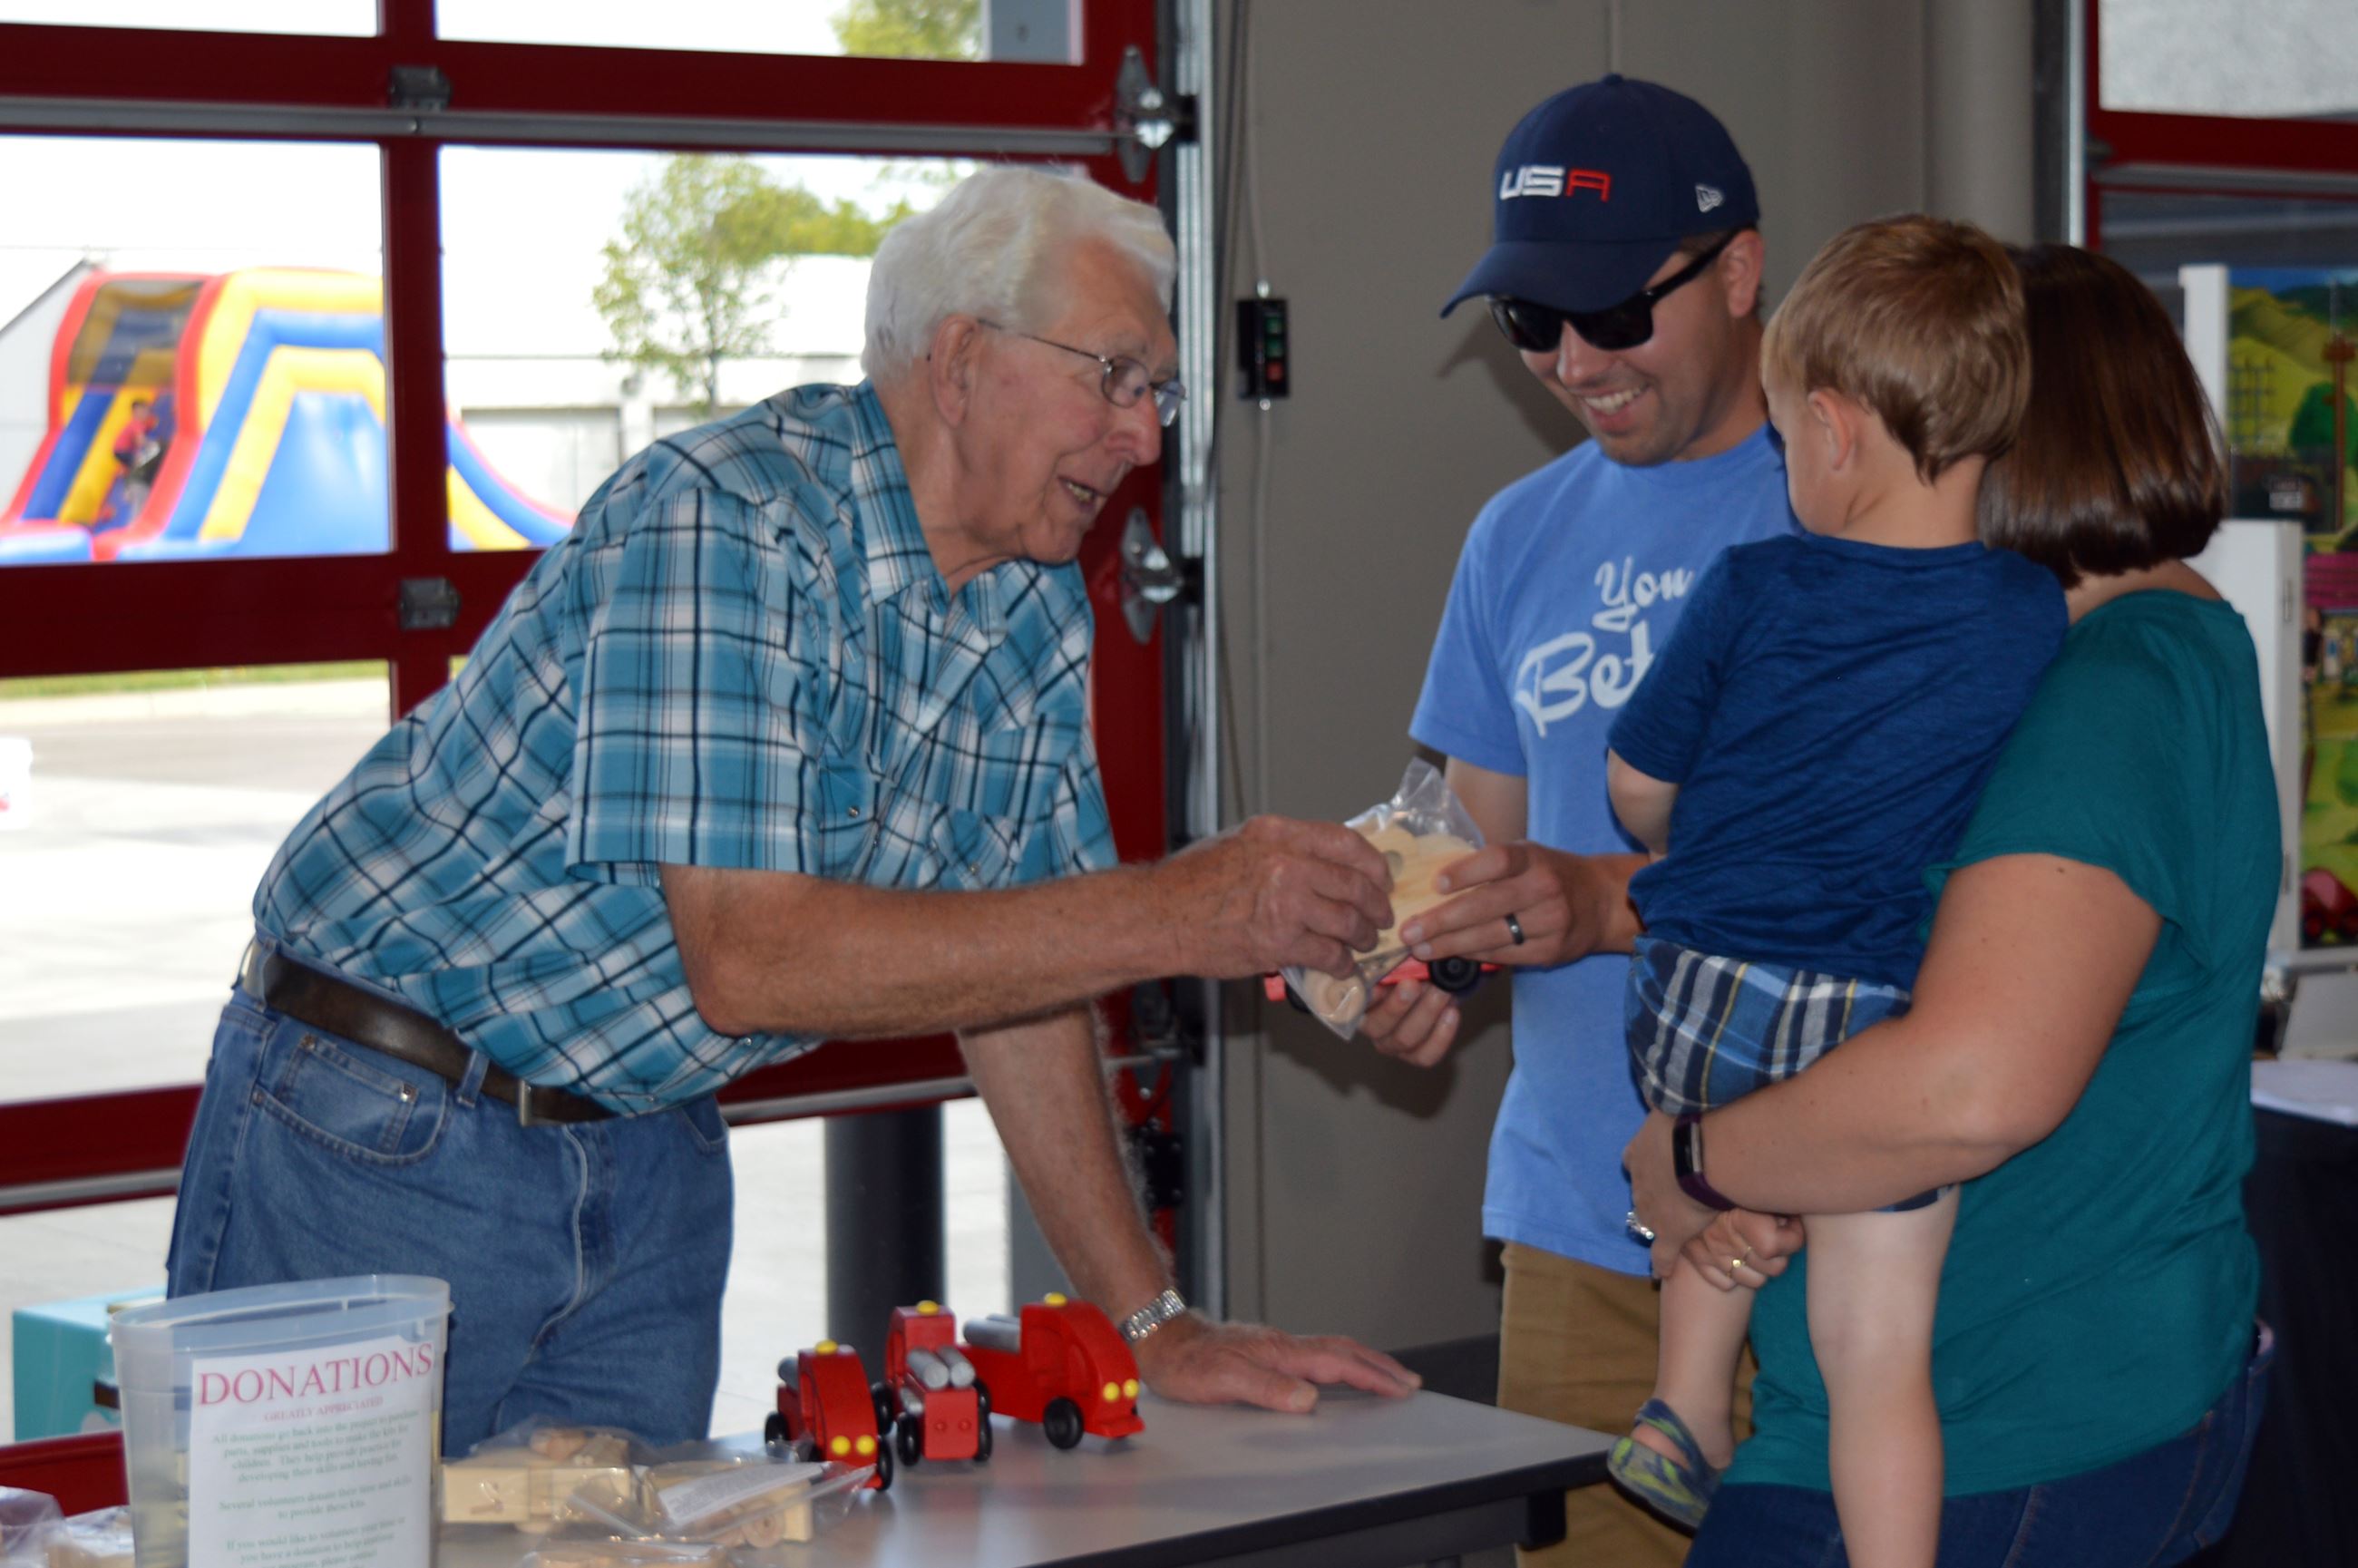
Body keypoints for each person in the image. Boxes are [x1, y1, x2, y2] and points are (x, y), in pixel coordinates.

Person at [165, 165, 1421, 1456]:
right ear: (963, 360)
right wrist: (1178, 910)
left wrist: (1151, 1322)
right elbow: (752, 958)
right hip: (385, 1127)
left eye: (1156, 393)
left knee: (607, 1553)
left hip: (647, 1155)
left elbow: (1026, 971)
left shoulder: (1031, 600)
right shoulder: (732, 518)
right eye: (1113, 375)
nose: (1147, 439)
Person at [1624, 243, 2276, 1566]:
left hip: (2005, 1425)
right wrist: (1588, 901)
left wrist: (1695, 1159)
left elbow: (1975, 1082)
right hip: (2036, 1402)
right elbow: (1836, 879)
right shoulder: (2061, 660)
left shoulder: (2114, 682)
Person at [1374, 74, 1798, 1565]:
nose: (1573, 360)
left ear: (1738, 271)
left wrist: (1607, 889)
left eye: (1615, 316)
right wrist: (1415, 961)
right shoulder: (1519, 534)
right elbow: (1473, 846)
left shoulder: (1861, 505)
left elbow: (1904, 855)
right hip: (1576, 1214)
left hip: (1817, 1216)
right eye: (1531, 324)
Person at [1601, 215, 2063, 1564]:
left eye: (1783, 439)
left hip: (1698, 996)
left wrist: (1689, 813)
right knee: (1878, 1348)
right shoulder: (2029, 614)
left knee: (1704, 1156)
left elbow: (1632, 784)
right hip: (1869, 1025)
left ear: (1834, 428)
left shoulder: (1754, 587)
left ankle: (1688, 1397)